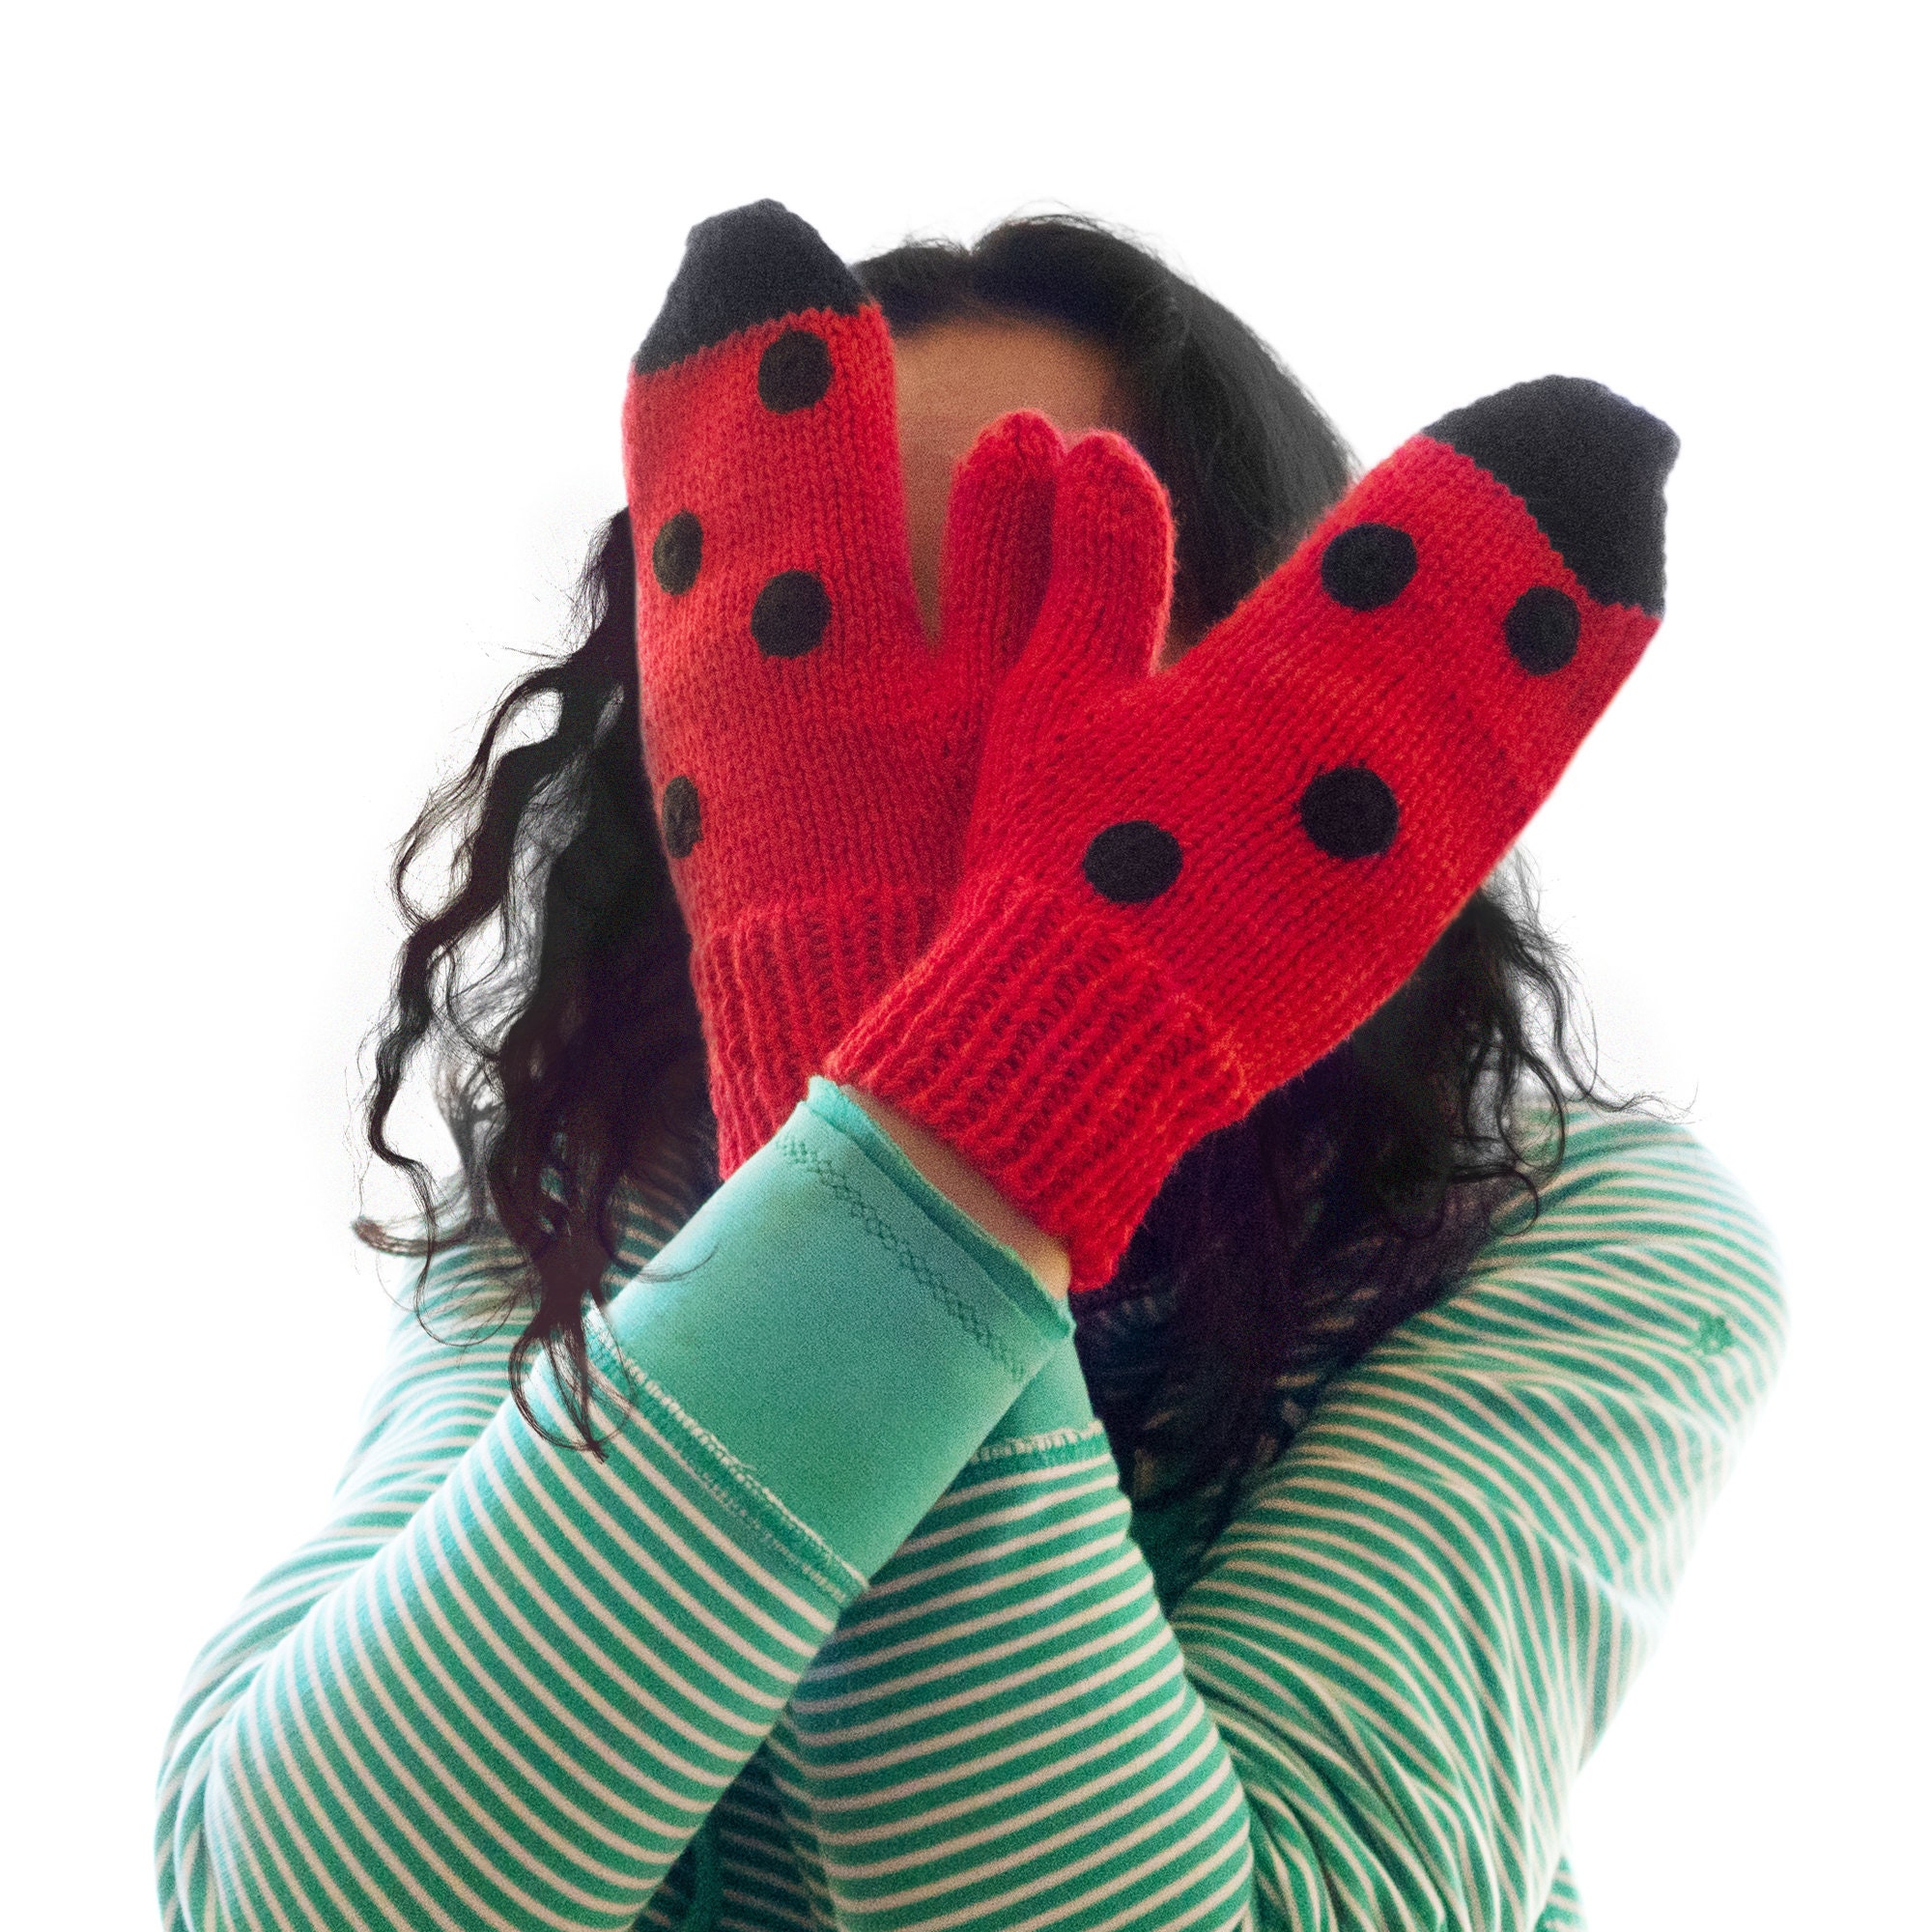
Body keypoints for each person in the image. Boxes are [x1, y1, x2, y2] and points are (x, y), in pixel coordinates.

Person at [155, 200, 1785, 1932]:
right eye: (829, 652)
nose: (924, 736)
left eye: (1058, 613)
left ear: (1287, 689)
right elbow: (300, 1896)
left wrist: (984, 1100)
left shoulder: (1570, 1226)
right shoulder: (591, 1192)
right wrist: (921, 1108)